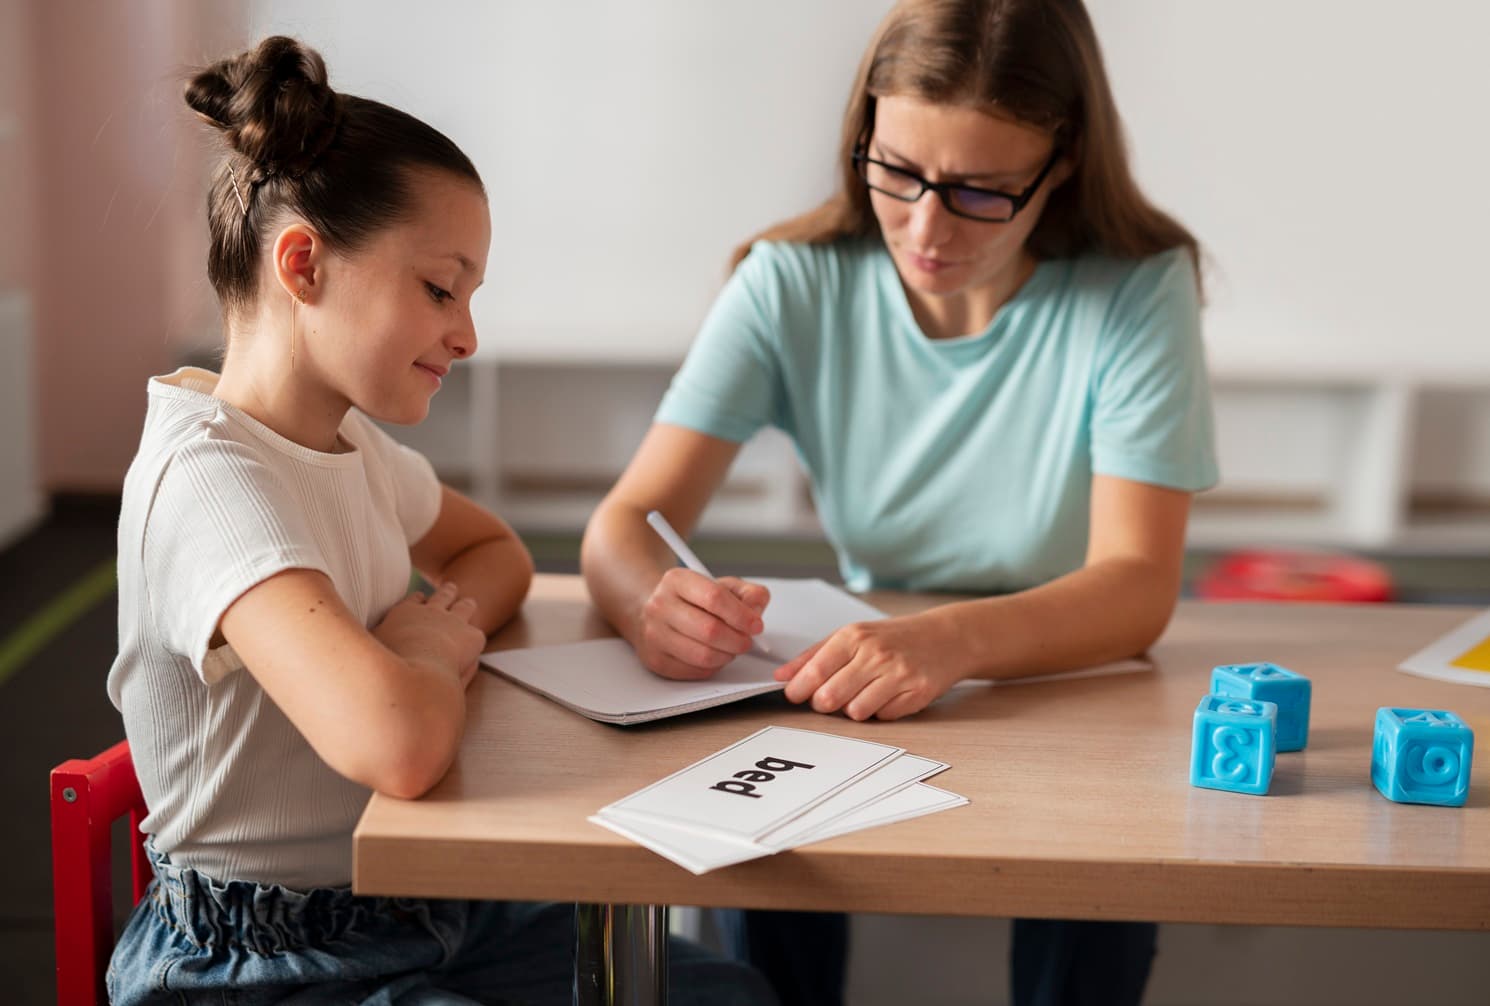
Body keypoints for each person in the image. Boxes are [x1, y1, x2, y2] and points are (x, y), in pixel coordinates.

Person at [106, 36, 776, 1006]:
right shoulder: (209, 477)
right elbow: (402, 746)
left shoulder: (349, 446)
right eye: (438, 288)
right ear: (303, 264)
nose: (466, 333)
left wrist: (430, 639)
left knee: (728, 995)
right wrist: (419, 654)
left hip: (413, 903)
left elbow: (490, 549)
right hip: (259, 962)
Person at [580, 0, 1217, 1003]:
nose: (924, 228)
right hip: (859, 682)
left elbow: (1136, 589)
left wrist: (949, 644)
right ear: (861, 138)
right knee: (751, 912)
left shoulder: (1136, 288)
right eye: (897, 172)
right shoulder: (788, 281)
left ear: (1060, 167)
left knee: (1089, 927)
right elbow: (623, 526)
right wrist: (647, 602)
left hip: (1069, 681)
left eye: (978, 191)